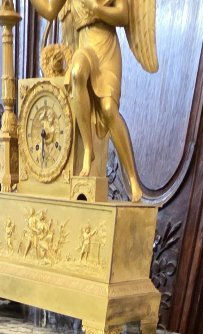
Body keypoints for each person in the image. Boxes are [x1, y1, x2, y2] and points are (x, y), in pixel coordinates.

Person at [28, 0, 156, 203]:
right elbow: (51, 11)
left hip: (106, 46)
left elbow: (123, 16)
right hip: (84, 46)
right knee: (77, 72)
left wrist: (96, 10)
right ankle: (89, 150)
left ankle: (133, 179)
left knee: (108, 110)